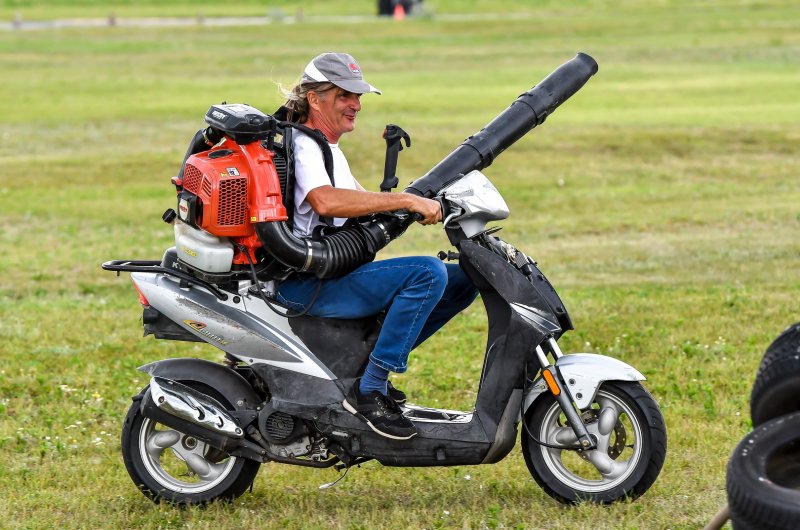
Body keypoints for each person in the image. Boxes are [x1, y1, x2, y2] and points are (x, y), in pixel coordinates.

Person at [276, 52, 477, 440]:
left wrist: (415, 204)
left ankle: (366, 369)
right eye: (344, 95)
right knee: (426, 273)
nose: (356, 104)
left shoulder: (325, 146)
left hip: (330, 275)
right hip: (305, 284)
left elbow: (358, 201)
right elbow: (326, 201)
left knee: (462, 281)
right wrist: (404, 200)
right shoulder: (305, 145)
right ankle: (369, 392)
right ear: (314, 99)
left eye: (358, 96)